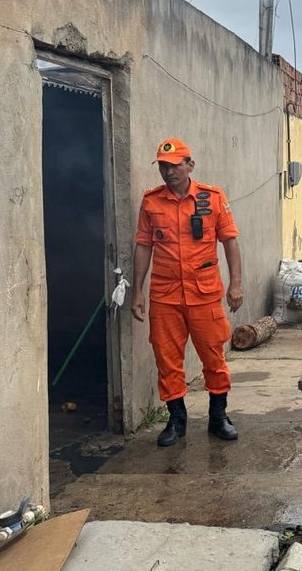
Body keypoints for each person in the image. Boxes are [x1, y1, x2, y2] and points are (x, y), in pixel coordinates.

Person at [131, 137, 242, 446]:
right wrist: (137, 291)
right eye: (163, 167)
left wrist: (235, 283)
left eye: (174, 166)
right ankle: (176, 420)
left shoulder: (213, 198)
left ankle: (218, 416)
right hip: (165, 295)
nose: (168, 172)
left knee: (213, 356)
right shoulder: (151, 202)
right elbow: (143, 246)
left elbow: (230, 241)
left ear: (190, 165)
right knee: (167, 359)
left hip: (204, 293)